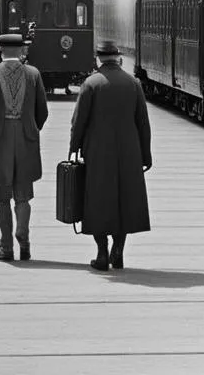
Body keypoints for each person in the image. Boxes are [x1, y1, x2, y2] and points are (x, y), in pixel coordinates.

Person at [69, 40, 152, 271]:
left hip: (98, 152)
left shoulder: (91, 83)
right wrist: (146, 155)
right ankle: (119, 252)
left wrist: (73, 148)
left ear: (98, 58)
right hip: (129, 152)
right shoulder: (133, 83)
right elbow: (143, 123)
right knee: (124, 201)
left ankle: (101, 252)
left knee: (98, 200)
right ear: (117, 58)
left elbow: (79, 122)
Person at [0, 34, 48, 261]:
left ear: (0, 50)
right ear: (21, 52)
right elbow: (42, 111)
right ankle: (24, 237)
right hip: (26, 138)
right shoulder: (33, 74)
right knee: (23, 196)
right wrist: (30, 127)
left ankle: (6, 246)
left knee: (1, 197)